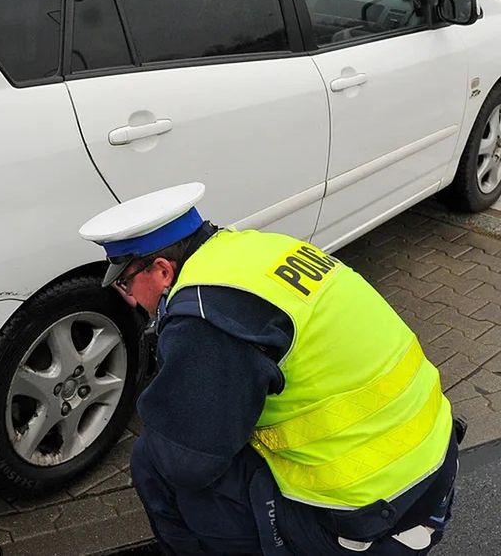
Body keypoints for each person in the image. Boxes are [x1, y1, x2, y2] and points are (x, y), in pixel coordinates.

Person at [79, 183, 464, 555]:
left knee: (153, 461)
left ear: (163, 271)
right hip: (431, 467)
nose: (130, 298)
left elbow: (186, 464)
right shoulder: (257, 250)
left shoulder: (205, 313)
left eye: (126, 283)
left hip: (367, 513)